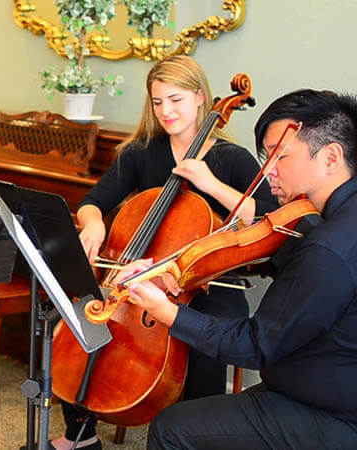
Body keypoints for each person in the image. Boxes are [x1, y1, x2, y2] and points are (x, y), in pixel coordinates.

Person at [52, 55, 278, 450]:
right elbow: (93, 201)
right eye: (157, 102)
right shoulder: (142, 152)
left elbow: (266, 220)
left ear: (200, 98)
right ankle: (82, 436)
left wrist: (210, 184)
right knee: (77, 320)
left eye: (175, 100)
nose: (166, 111)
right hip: (137, 279)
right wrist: (94, 223)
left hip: (206, 285)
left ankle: (196, 437)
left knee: (212, 336)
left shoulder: (231, 159)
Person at [122, 89, 357, 448]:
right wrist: (197, 269)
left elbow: (254, 345)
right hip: (326, 381)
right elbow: (293, 266)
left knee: (173, 428)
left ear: (331, 157)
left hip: (334, 412)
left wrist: (166, 311)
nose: (271, 170)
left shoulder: (328, 247)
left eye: (281, 155)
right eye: (267, 156)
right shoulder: (332, 223)